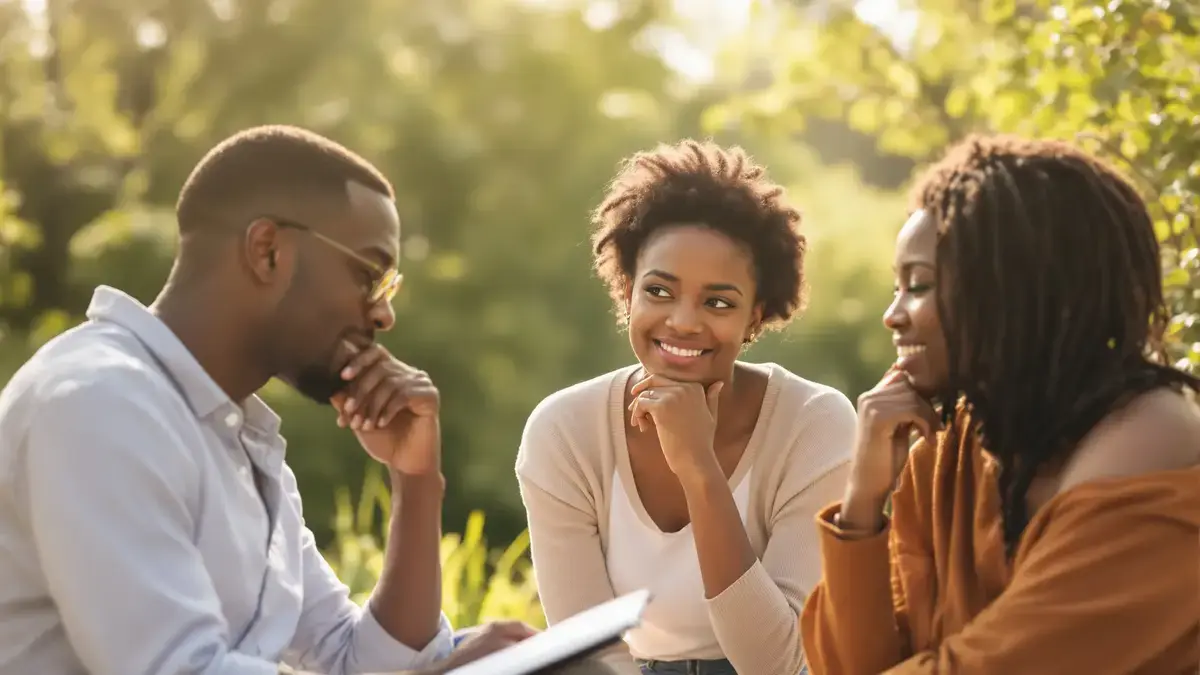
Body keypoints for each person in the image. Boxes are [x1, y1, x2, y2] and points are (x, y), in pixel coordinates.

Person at [0, 125, 533, 675]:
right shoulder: (101, 405)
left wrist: (417, 480)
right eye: (369, 274)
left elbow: (359, 661)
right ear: (268, 250)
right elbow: (180, 670)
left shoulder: (234, 439)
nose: (382, 314)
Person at [800, 134, 1200, 674]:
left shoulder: (1149, 434)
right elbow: (849, 664)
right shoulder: (950, 443)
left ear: (1014, 286)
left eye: (918, 285)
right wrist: (863, 501)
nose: (892, 315)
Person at [516, 139, 857, 675]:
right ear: (627, 291)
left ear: (755, 317)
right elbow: (591, 659)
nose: (683, 321)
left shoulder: (814, 425)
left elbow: (781, 664)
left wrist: (700, 470)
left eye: (718, 302)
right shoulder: (564, 432)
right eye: (659, 291)